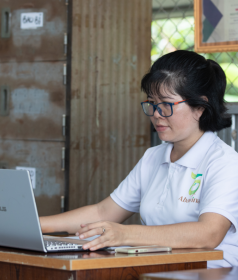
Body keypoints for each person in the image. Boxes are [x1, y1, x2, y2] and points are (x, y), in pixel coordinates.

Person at [41, 50, 238, 268]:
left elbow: (208, 234)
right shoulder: (153, 157)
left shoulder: (225, 162)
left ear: (200, 107)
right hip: (159, 270)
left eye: (166, 104)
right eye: (152, 103)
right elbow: (103, 212)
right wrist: (35, 225)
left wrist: (125, 234)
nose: (156, 113)